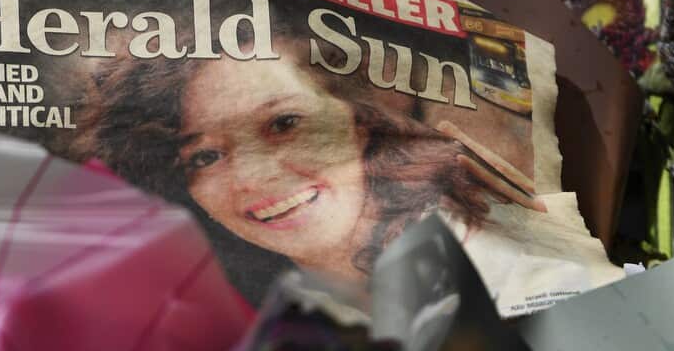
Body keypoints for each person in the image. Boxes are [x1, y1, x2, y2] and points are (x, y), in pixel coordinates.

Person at [76, 32, 506, 303]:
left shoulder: (497, 249)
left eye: (283, 124)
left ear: (361, 117)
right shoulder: (254, 339)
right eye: (205, 157)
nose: (253, 178)